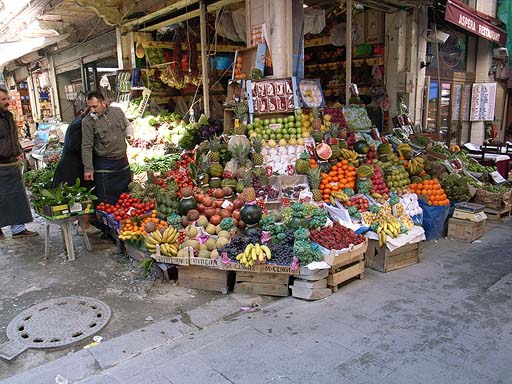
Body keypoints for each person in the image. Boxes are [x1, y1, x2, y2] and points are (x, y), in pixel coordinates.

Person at [52, 108, 100, 235]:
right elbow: (76, 146)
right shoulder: (79, 125)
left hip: (75, 166)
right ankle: (84, 225)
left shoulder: (79, 121)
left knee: (83, 194)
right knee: (84, 194)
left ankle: (83, 224)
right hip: (73, 168)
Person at [0, 88, 38, 240]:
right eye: (3, 100)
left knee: (17, 197)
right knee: (1, 198)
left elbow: (12, 137)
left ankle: (18, 229)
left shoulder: (8, 116)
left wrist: (18, 150)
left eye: (7, 99)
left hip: (12, 163)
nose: (7, 102)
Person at [81, 91, 132, 206]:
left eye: (95, 106)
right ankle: (106, 223)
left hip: (123, 162)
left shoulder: (117, 112)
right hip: (105, 165)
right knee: (107, 201)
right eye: (89, 107)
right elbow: (86, 146)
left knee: (126, 197)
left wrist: (129, 134)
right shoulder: (87, 122)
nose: (92, 110)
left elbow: (127, 124)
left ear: (103, 103)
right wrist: (88, 168)